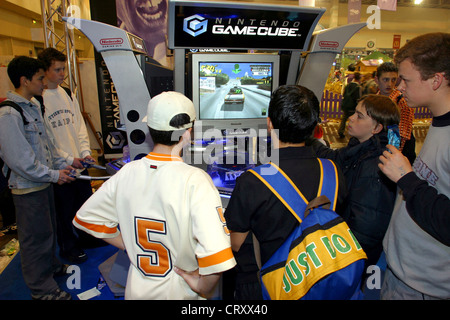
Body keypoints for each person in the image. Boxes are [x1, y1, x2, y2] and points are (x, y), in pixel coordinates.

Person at [73, 91, 236, 300]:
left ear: (150, 129)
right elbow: (217, 256)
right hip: (180, 293)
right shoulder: (195, 180)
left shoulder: (127, 172)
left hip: (136, 292)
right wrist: (201, 286)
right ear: (187, 132)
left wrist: (132, 245)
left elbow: (87, 219)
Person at [224, 85, 347, 299]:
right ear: (314, 126)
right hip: (318, 280)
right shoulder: (334, 172)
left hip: (267, 286)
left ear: (270, 124)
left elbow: (235, 243)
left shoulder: (253, 181)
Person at [379, 32, 450, 300]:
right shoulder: (439, 121)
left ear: (436, 80)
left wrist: (406, 179)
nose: (399, 87)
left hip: (424, 286)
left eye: (405, 80)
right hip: (403, 272)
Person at [0, 56, 75, 300]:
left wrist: (65, 164)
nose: (45, 82)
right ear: (24, 80)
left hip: (42, 184)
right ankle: (41, 290)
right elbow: (21, 161)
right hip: (27, 188)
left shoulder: (32, 106)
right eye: (40, 78)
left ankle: (51, 268)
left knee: (48, 233)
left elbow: (47, 146)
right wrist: (55, 175)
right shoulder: (9, 114)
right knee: (34, 240)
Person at [310, 94, 400, 272]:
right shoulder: (360, 148)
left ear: (376, 128)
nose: (351, 118)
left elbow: (366, 229)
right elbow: (334, 158)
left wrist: (340, 262)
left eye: (359, 116)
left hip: (352, 258)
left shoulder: (376, 166)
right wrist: (305, 137)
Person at [38, 47, 96, 264]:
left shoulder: (67, 93)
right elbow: (47, 141)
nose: (62, 73)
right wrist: (67, 159)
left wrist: (85, 152)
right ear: (44, 71)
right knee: (64, 212)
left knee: (84, 206)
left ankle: (86, 238)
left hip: (79, 164)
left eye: (63, 69)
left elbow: (79, 126)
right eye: (57, 69)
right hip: (60, 168)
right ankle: (68, 247)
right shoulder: (39, 100)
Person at [375, 62, 416, 164]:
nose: (389, 84)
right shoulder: (376, 98)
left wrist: (395, 155)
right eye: (385, 80)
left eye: (393, 80)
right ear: (377, 80)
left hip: (397, 149)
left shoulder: (401, 100)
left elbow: (403, 133)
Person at [338, 72, 361, 138]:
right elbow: (358, 98)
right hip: (353, 107)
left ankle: (340, 131)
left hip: (346, 106)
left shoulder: (348, 85)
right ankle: (353, 134)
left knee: (344, 119)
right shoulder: (358, 87)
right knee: (353, 121)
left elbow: (344, 94)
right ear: (359, 78)